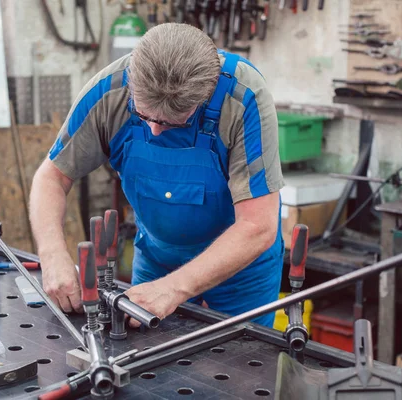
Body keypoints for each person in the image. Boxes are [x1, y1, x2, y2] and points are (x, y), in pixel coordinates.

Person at [29, 22, 285, 329]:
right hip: (157, 262)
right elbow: (51, 177)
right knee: (146, 367)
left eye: (171, 123)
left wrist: (175, 289)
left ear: (204, 98)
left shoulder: (243, 97)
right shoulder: (109, 91)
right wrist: (52, 255)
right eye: (143, 115)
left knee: (240, 368)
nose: (154, 130)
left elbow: (258, 225)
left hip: (241, 273)